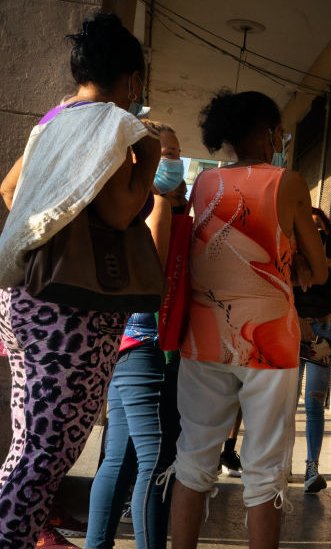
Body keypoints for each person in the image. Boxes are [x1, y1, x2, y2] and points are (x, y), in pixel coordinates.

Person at [0, 12, 159, 547]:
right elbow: (119, 213)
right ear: (132, 79)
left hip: (22, 295)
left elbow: (7, 190)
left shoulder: (50, 120)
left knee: (27, 445)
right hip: (71, 310)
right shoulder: (111, 123)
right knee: (48, 454)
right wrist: (151, 156)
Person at [167, 89, 328, 549]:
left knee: (194, 458)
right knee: (265, 467)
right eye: (280, 131)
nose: (282, 139)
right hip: (270, 342)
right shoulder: (288, 182)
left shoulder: (203, 185)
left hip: (204, 338)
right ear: (267, 132)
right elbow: (317, 270)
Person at [85, 120, 185, 549]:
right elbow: (156, 278)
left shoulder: (117, 202)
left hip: (123, 340)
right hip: (148, 342)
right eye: (167, 155)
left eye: (177, 155)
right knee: (156, 459)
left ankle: (97, 543)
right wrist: (166, 202)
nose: (175, 164)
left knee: (119, 460)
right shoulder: (155, 204)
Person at [295, 208, 331, 494]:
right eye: (309, 226)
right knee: (286, 404)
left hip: (322, 339)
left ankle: (312, 468)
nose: (315, 232)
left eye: (320, 227)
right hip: (293, 335)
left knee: (314, 404)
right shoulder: (292, 261)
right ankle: (280, 466)